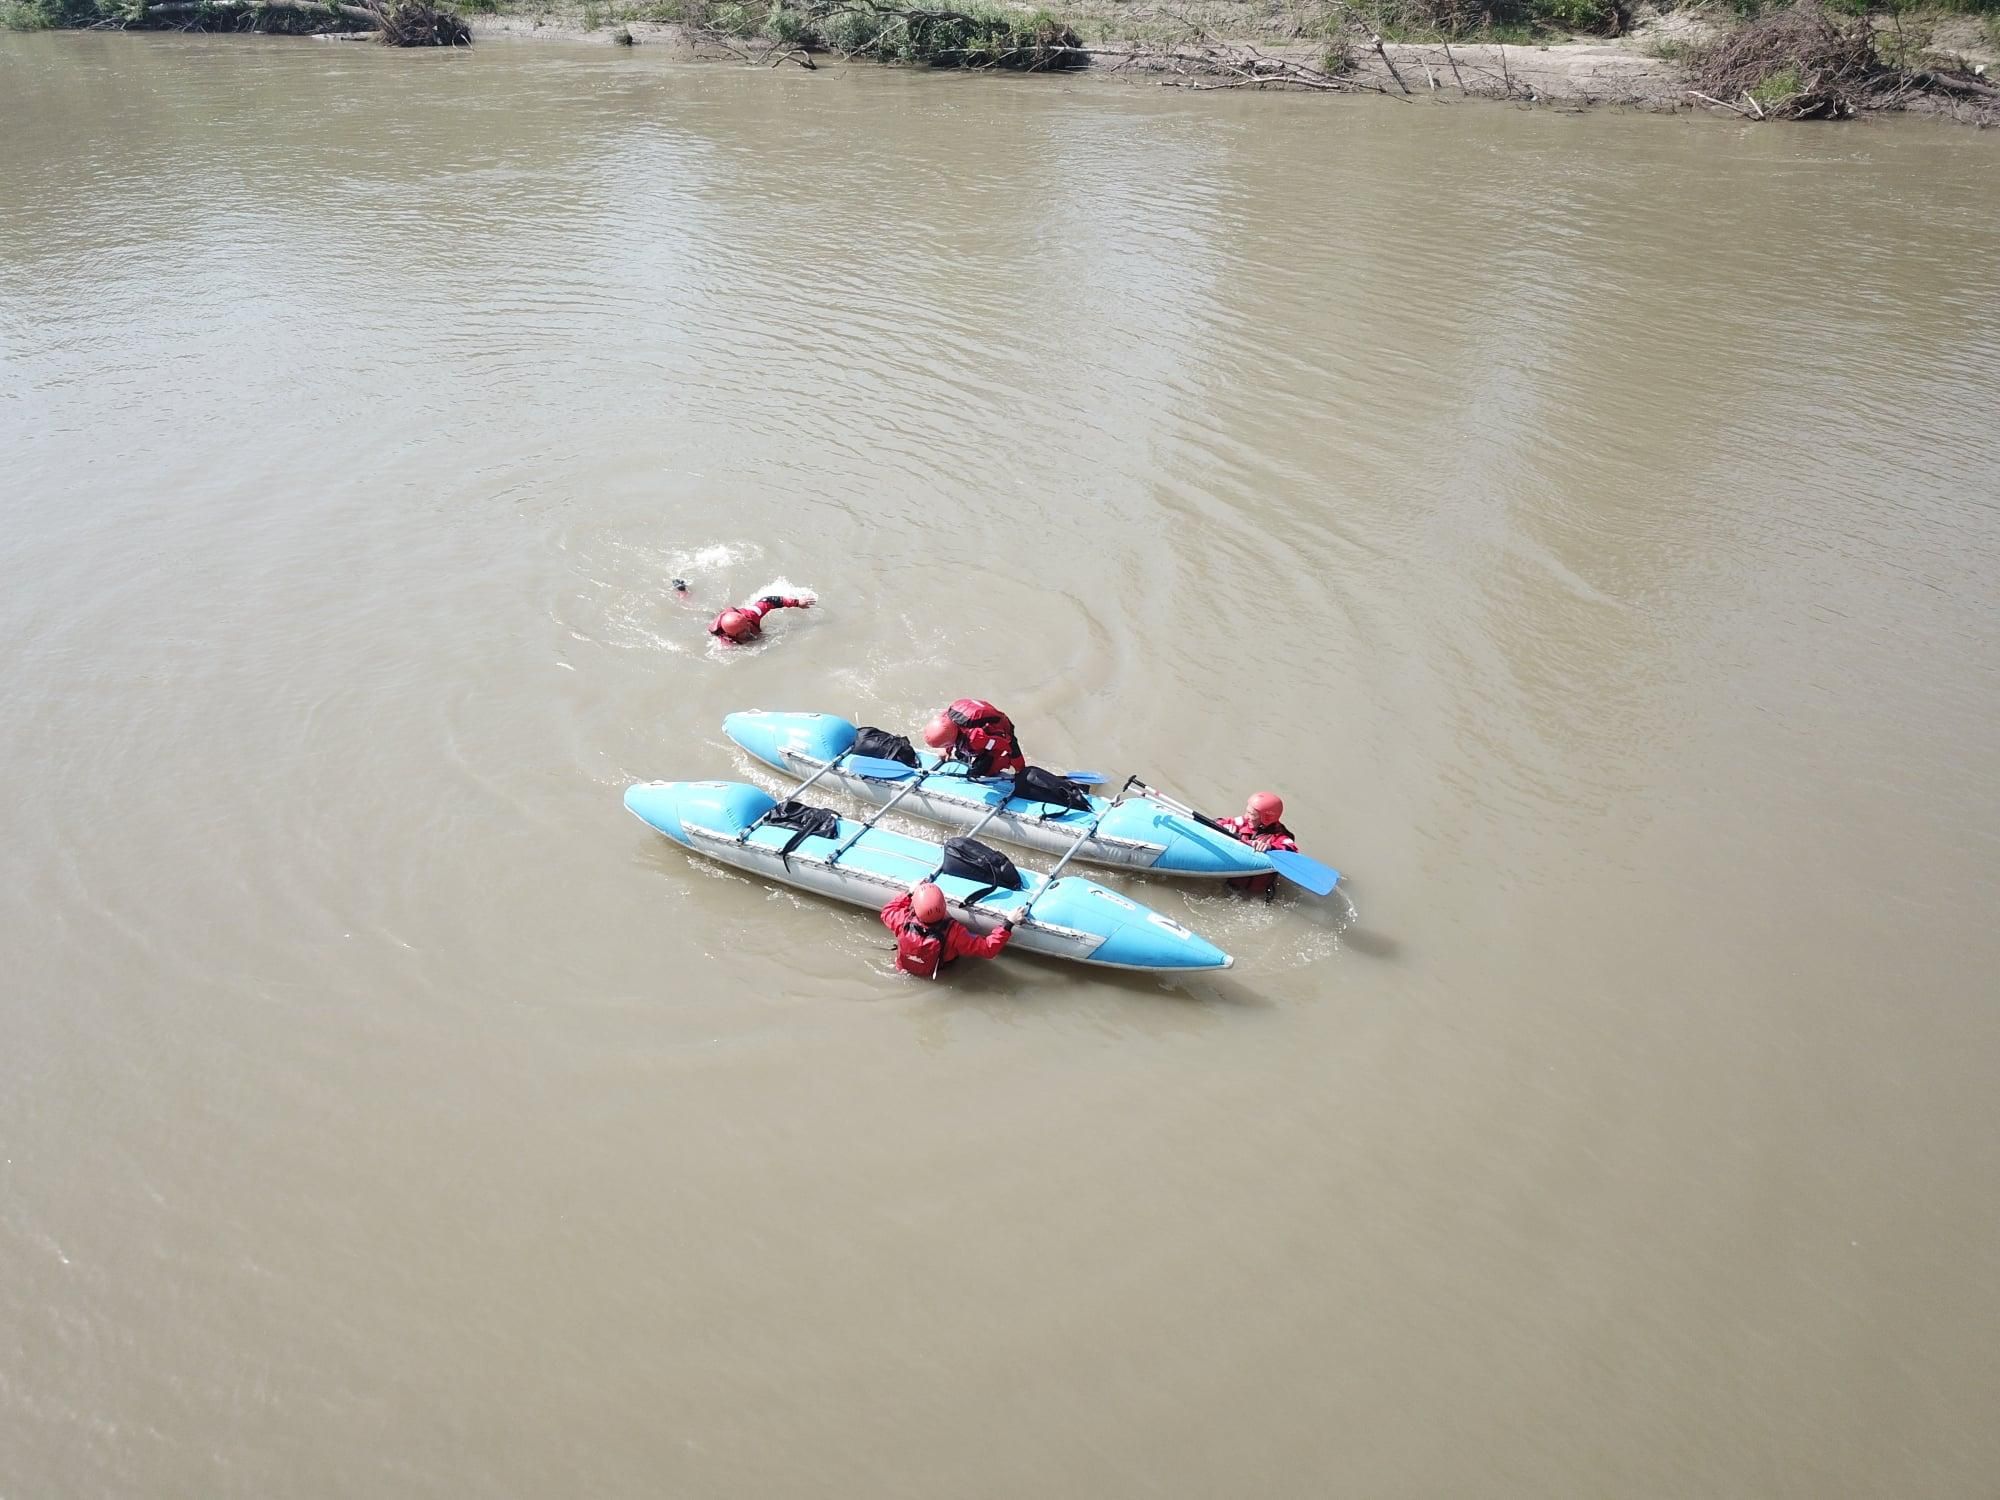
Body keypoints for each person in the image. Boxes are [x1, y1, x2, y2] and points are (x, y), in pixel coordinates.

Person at [880, 881, 1014, 979]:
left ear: (915, 907)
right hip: (941, 972)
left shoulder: (902, 920)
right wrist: (1008, 923)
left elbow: (887, 911)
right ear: (944, 906)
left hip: (903, 970)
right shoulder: (955, 933)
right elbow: (988, 949)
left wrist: (909, 893)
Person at [1215, 791, 1299, 900]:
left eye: (1252, 814)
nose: (1246, 816)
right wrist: (1224, 827)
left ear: (1266, 818)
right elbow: (1217, 821)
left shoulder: (1281, 836)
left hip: (1258, 895)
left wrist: (1270, 848)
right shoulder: (1244, 822)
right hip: (1232, 883)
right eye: (1247, 812)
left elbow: (1292, 851)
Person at [921, 698, 1026, 778]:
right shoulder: (947, 717)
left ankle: (1004, 761)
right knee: (961, 754)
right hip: (983, 723)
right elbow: (949, 733)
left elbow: (1008, 745)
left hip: (1000, 730)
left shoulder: (976, 738)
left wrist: (1019, 769)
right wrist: (947, 750)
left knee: (981, 771)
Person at [708, 593, 812, 645]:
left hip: (737, 614)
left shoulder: (752, 614)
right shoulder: (725, 641)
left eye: (747, 626)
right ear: (732, 635)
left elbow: (769, 600)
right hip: (723, 623)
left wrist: (797, 602)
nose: (748, 631)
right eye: (743, 632)